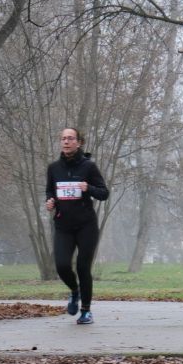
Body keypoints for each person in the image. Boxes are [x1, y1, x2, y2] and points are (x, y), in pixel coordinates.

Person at [45, 127, 110, 325]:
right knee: (62, 265)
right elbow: (50, 192)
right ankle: (75, 291)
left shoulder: (88, 167)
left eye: (70, 138)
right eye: (63, 138)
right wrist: (50, 202)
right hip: (63, 225)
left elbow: (103, 193)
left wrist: (88, 188)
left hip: (86, 226)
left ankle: (86, 311)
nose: (66, 141)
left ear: (78, 142)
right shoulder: (54, 168)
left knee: (83, 267)